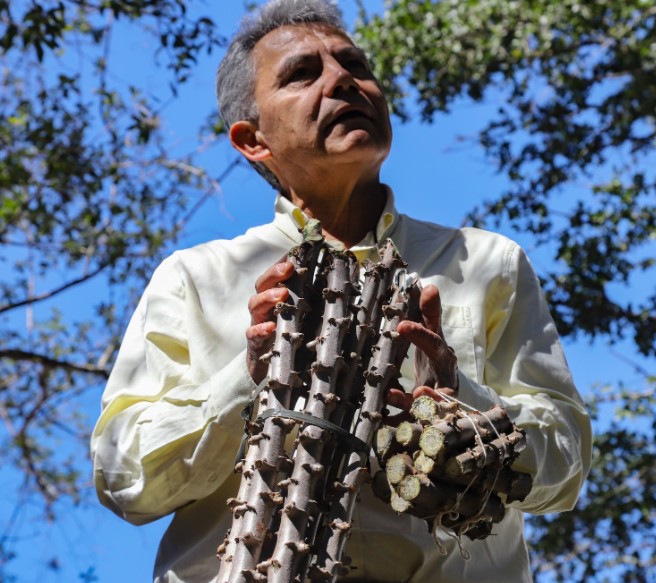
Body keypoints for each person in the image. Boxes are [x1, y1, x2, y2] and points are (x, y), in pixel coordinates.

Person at [90, 1, 592, 581]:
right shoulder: (195, 279)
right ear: (253, 140)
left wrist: (462, 400)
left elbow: (566, 464)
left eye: (353, 64)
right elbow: (125, 478)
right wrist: (247, 380)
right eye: (303, 73)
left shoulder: (486, 263)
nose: (342, 80)